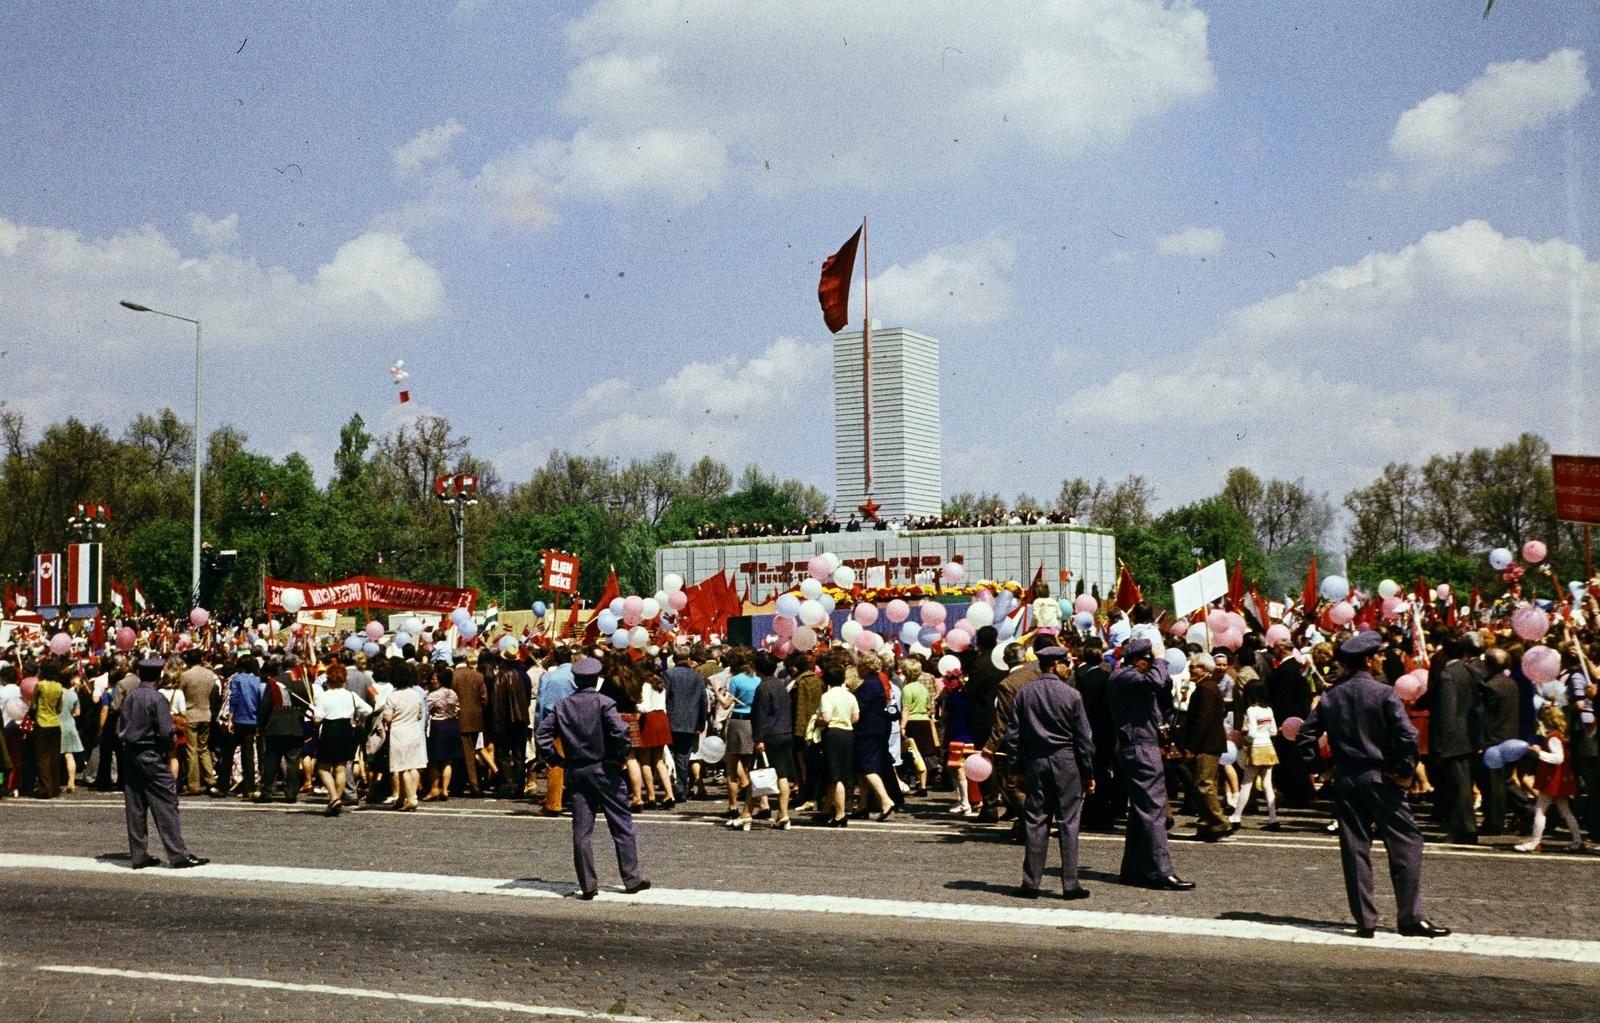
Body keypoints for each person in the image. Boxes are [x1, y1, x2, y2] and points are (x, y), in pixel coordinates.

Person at [1297, 631, 1448, 938]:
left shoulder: (1331, 694)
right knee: (1406, 843)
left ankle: (1364, 920)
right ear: (1368, 660)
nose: (1382, 658)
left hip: (1346, 777)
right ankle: (1410, 917)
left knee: (1354, 848)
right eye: (1379, 654)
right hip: (1382, 777)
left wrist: (1320, 768)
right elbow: (1408, 736)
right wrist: (1405, 770)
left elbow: (1304, 736)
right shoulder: (1384, 693)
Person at [534, 657, 650, 899]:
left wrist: (555, 759)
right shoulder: (604, 703)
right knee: (621, 826)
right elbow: (620, 732)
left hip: (576, 770)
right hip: (604, 768)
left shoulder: (563, 705)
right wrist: (619, 755)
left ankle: (588, 885)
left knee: (582, 831)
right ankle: (631, 878)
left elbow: (542, 733)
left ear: (575, 679)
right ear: (597, 679)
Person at [1001, 647, 1094, 900]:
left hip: (1035, 761)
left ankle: (1031, 883)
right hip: (1067, 761)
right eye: (1066, 663)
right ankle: (1070, 883)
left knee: (1035, 820)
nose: (1069, 668)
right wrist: (1088, 772)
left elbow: (1013, 736)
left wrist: (1016, 768)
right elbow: (1084, 738)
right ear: (1055, 664)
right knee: (1068, 822)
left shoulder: (1024, 693)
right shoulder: (1072, 695)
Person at [1107, 638, 1192, 891]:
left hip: (1140, 744)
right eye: (1148, 660)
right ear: (1136, 660)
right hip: (1139, 746)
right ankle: (1161, 870)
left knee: (1140, 811)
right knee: (1154, 809)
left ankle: (1133, 869)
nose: (1152, 665)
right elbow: (1157, 679)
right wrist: (1161, 656)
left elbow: (1161, 683)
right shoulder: (1124, 676)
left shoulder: (1134, 679)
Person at [118, 657, 207, 869]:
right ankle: (178, 854)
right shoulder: (156, 699)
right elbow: (167, 731)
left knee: (136, 806)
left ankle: (139, 855)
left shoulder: (130, 697)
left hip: (130, 754)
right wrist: (169, 748)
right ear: (159, 676)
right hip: (151, 753)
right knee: (166, 803)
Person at [1431, 632, 1484, 845]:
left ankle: (1465, 829)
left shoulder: (1447, 674)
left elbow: (1447, 711)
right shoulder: (1469, 670)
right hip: (1469, 735)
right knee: (1461, 784)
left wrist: (1442, 742)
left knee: (1458, 786)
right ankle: (1462, 828)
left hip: (1454, 738)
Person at [1516, 703, 1586, 852]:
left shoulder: (1553, 737)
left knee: (1540, 810)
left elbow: (1558, 758)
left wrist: (1539, 753)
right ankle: (1577, 840)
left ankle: (1535, 841)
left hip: (1552, 779)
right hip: (1559, 778)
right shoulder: (1559, 736)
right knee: (1565, 811)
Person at [1179, 652, 1231, 842]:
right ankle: (1206, 825)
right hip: (1209, 743)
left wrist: (1192, 745)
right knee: (1207, 784)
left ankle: (1220, 822)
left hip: (1207, 744)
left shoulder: (1206, 689)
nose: (1191, 670)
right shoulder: (1205, 686)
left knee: (1203, 784)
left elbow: (1203, 720)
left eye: (1194, 667)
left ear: (1204, 669)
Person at [312, 662, 371, 816]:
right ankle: (337, 799)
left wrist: (314, 716)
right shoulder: (351, 695)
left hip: (330, 730)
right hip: (346, 730)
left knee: (323, 768)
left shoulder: (324, 696)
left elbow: (318, 719)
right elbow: (368, 709)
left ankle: (333, 797)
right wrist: (359, 719)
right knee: (341, 767)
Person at [748, 652, 795, 831]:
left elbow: (760, 716)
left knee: (758, 773)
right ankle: (783, 813)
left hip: (769, 735)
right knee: (782, 775)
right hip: (785, 731)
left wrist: (758, 739)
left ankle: (748, 811)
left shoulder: (763, 688)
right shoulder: (781, 684)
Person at [1478, 647, 1520, 836]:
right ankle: (1527, 811)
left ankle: (1495, 822)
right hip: (1509, 735)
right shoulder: (1511, 683)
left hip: (1494, 739)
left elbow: (1485, 717)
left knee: (1495, 784)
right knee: (1505, 781)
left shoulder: (1490, 686)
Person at [1229, 677, 1280, 830]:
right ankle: (1273, 818)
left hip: (1256, 747)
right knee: (1267, 784)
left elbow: (1251, 733)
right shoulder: (1268, 709)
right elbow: (1274, 731)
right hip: (1269, 747)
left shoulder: (1251, 710)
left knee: (1247, 783)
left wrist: (1245, 738)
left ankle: (1236, 815)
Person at [816, 654, 859, 827]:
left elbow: (826, 718)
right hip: (848, 733)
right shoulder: (850, 695)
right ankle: (826, 810)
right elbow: (855, 717)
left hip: (833, 733)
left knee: (835, 776)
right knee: (839, 773)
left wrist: (817, 720)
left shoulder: (827, 696)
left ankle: (840, 814)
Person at [662, 643, 708, 805]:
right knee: (683, 756)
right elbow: (703, 701)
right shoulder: (697, 675)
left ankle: (678, 787)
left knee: (673, 755)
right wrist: (701, 723)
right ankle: (681, 787)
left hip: (672, 720)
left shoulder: (668, 674)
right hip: (691, 721)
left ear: (674, 659)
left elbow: (664, 697)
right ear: (688, 658)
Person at [384, 662, 428, 812]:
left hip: (399, 732)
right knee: (414, 765)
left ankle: (409, 799)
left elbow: (388, 718)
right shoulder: (416, 695)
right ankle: (409, 796)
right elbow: (420, 715)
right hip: (414, 731)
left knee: (402, 767)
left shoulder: (393, 696)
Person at [177, 649, 219, 795]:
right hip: (206, 713)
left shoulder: (185, 675)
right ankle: (210, 781)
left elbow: (180, 692)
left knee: (191, 751)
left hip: (190, 714)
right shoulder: (210, 674)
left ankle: (193, 784)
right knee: (204, 749)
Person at [452, 651, 489, 796]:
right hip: (475, 718)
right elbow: (484, 698)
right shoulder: (478, 676)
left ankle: (472, 784)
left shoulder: (453, 676)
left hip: (458, 718)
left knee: (463, 754)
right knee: (470, 751)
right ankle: (466, 783)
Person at [30, 662, 64, 798]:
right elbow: (60, 708)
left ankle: (45, 787)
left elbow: (33, 705)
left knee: (42, 757)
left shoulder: (40, 685)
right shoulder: (59, 686)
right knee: (55, 756)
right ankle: (56, 787)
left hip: (43, 722)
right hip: (55, 723)